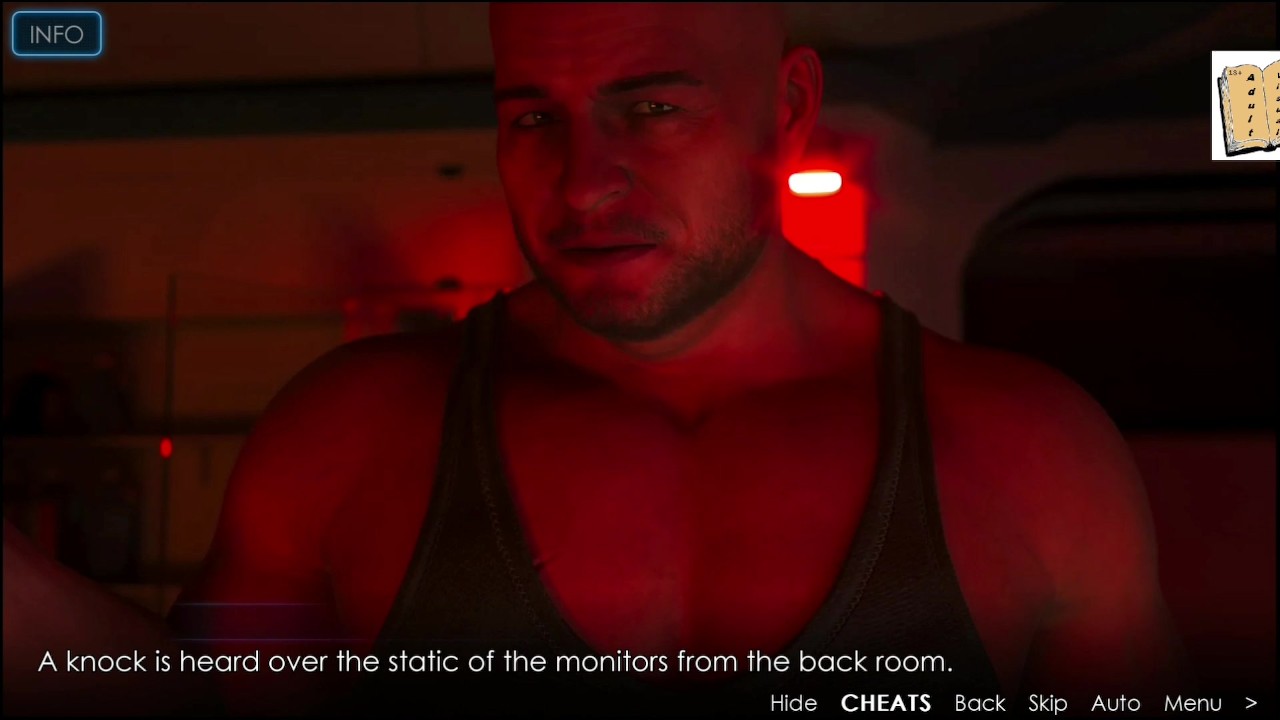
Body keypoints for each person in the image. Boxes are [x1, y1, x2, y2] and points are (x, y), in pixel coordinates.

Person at [3, 3, 1188, 716]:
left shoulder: (1028, 452)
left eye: (651, 109)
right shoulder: (350, 431)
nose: (580, 185)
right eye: (533, 118)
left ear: (786, 110)